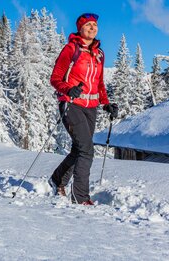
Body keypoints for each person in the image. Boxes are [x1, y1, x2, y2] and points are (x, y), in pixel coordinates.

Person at [48, 13, 118, 205]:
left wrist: (106, 103)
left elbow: (99, 83)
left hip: (91, 107)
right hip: (71, 104)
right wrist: (68, 89)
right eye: (88, 25)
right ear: (80, 28)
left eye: (94, 25)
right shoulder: (71, 49)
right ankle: (80, 197)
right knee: (86, 150)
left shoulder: (99, 54)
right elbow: (55, 78)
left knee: (79, 148)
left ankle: (57, 179)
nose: (92, 28)